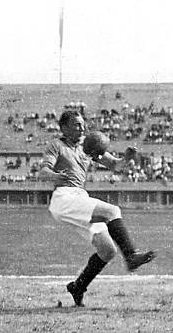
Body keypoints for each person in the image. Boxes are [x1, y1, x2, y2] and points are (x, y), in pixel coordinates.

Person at [40, 110, 155, 307]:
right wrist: (55, 176)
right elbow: (43, 171)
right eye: (77, 125)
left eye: (83, 124)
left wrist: (126, 158)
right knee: (112, 211)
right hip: (64, 197)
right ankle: (131, 256)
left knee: (108, 250)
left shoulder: (87, 146)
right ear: (64, 128)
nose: (82, 128)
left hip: (78, 198)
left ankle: (78, 287)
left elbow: (115, 166)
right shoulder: (57, 145)